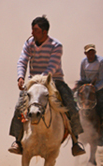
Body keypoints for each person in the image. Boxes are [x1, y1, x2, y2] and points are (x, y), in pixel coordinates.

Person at [8, 16, 85, 156]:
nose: (32, 33)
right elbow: (22, 60)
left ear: (44, 32)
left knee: (72, 107)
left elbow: (52, 66)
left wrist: (42, 79)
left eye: (35, 30)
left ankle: (76, 141)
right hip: (33, 83)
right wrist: (20, 77)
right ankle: (17, 141)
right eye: (32, 29)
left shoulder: (56, 46)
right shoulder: (29, 43)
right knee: (19, 107)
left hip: (54, 81)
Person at [80, 43, 103, 144]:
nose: (91, 54)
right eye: (89, 52)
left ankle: (101, 132)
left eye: (92, 52)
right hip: (87, 89)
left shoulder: (101, 62)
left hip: (99, 89)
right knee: (75, 103)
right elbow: (82, 77)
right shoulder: (83, 62)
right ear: (85, 53)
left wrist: (95, 88)